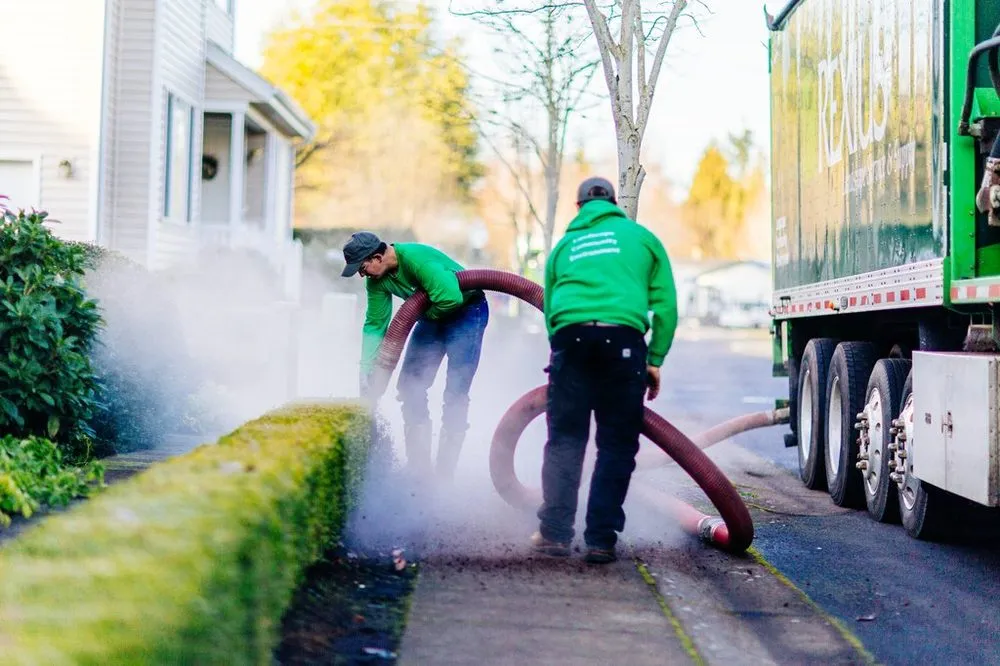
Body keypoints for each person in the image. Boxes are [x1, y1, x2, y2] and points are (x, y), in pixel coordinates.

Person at [531, 177, 678, 564]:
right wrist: (655, 360)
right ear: (615, 204)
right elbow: (666, 307)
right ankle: (600, 540)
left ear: (578, 208)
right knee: (615, 445)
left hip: (571, 342)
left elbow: (551, 310)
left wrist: (563, 351)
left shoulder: (564, 247)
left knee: (565, 440)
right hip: (623, 345)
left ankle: (554, 535)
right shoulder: (642, 238)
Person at [341, 231, 489, 480]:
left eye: (362, 268)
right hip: (433, 312)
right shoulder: (376, 281)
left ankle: (444, 475)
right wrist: (367, 369)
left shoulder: (416, 260)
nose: (361, 275)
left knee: (455, 392)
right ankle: (420, 474)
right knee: (410, 387)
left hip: (466, 311)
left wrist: (422, 313)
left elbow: (451, 297)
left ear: (377, 258)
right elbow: (375, 325)